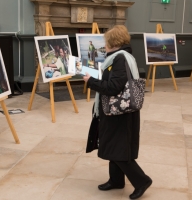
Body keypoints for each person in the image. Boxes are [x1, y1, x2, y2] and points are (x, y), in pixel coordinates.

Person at [83, 25, 152, 200]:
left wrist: (90, 82)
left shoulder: (120, 58)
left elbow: (114, 87)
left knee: (119, 149)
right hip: (116, 111)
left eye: (106, 41)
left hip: (120, 112)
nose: (104, 44)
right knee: (113, 146)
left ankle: (142, 181)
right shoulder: (120, 57)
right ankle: (116, 180)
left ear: (113, 42)